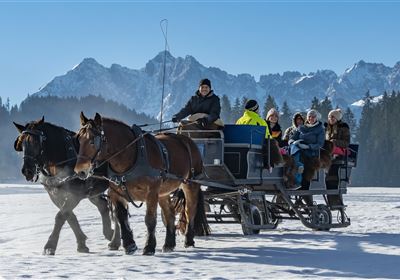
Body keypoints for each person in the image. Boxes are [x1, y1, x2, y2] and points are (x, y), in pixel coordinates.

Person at [289, 109, 325, 196]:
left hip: (312, 153)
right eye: (309, 116)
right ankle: (292, 180)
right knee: (292, 157)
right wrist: (291, 142)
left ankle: (302, 186)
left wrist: (309, 146)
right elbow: (293, 137)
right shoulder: (302, 127)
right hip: (300, 151)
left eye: (313, 117)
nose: (311, 118)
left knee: (304, 164)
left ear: (316, 118)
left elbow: (320, 144)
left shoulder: (320, 129)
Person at [236, 100, 281, 168]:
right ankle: (271, 165)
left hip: (240, 146)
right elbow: (267, 136)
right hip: (255, 147)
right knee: (272, 142)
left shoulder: (240, 120)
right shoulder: (259, 121)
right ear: (256, 109)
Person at [325, 108, 351, 212]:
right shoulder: (326, 128)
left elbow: (346, 143)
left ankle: (336, 202)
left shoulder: (343, 127)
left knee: (332, 179)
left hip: (338, 155)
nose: (331, 119)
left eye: (333, 117)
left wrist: (334, 142)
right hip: (328, 155)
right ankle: (332, 202)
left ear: (337, 118)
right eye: (330, 117)